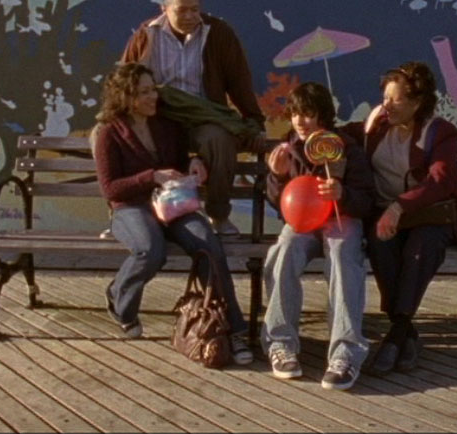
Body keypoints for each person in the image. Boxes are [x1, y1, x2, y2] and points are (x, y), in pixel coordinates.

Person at [93, 63, 253, 365]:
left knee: (208, 243)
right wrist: (151, 176)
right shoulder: (109, 133)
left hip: (173, 204)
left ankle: (233, 329)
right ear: (126, 97)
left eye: (152, 89)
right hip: (131, 207)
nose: (153, 96)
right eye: (144, 92)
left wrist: (194, 163)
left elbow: (180, 161)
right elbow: (110, 189)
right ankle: (119, 299)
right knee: (150, 250)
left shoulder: (166, 123)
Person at [342, 61, 457, 376]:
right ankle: (404, 334)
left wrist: (399, 206)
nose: (387, 105)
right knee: (381, 245)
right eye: (385, 97)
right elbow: (332, 136)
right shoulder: (375, 125)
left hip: (428, 216)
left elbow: (441, 181)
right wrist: (293, 142)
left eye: (396, 99)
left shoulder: (439, 132)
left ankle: (396, 335)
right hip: (386, 216)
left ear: (417, 101)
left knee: (420, 250)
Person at [261, 82, 375, 390]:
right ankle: (280, 342)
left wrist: (342, 193)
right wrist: (277, 176)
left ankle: (346, 353)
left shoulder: (346, 147)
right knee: (284, 249)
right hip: (304, 221)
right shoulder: (288, 147)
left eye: (308, 114)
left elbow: (366, 200)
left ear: (323, 115)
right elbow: (280, 203)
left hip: (340, 217)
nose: (300, 121)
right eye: (295, 114)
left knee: (342, 253)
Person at [122, 0, 266, 236]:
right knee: (121, 136)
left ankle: (218, 215)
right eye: (182, 10)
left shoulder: (218, 33)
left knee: (219, 139)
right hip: (159, 118)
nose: (190, 16)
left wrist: (254, 121)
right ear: (164, 8)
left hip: (202, 117)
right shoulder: (146, 35)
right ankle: (127, 216)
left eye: (195, 9)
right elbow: (124, 82)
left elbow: (238, 81)